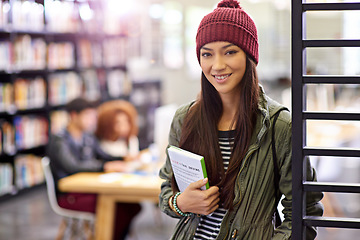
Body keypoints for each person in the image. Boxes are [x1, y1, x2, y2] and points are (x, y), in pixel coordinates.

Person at [158, 1, 324, 240]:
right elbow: (166, 191)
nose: (217, 65)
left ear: (249, 56)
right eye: (207, 54)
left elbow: (304, 212)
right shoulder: (185, 119)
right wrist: (181, 203)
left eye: (229, 52)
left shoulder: (280, 126)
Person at [47, 97, 129, 240]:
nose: (92, 120)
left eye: (93, 116)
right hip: (69, 194)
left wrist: (124, 158)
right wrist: (104, 167)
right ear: (74, 115)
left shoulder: (87, 136)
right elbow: (72, 166)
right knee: (117, 205)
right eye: (88, 116)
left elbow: (103, 154)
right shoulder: (59, 139)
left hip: (87, 188)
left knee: (129, 204)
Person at [95, 99, 142, 239]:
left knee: (133, 205)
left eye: (126, 122)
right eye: (117, 123)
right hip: (107, 188)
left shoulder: (130, 140)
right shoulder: (100, 145)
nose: (124, 127)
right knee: (125, 207)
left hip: (126, 184)